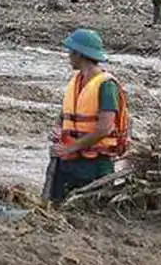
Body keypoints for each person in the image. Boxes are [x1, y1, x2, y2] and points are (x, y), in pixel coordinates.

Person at [49, 29, 129, 202]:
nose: (69, 56)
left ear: (79, 54)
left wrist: (70, 147)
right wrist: (58, 128)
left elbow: (105, 128)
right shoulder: (76, 80)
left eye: (71, 52)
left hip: (95, 165)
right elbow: (64, 113)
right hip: (70, 162)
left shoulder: (106, 85)